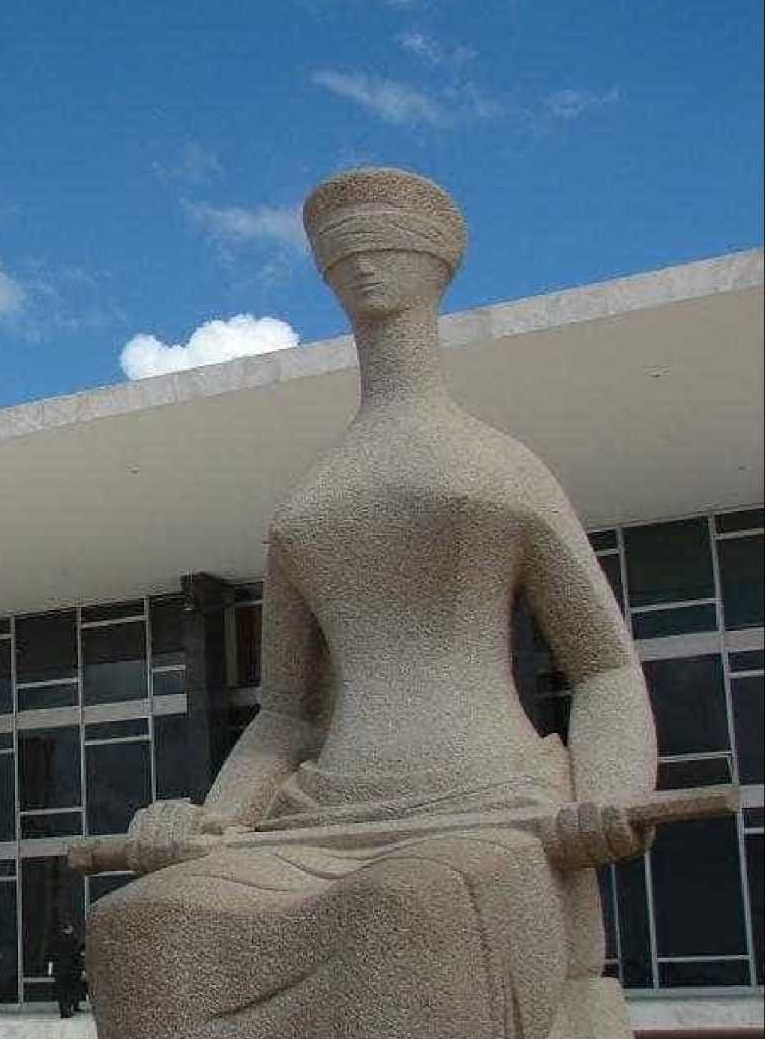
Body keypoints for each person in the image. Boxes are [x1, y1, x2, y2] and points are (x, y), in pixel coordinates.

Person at [85, 167, 658, 1039]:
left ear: (439, 264)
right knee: (142, 926)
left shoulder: (500, 469)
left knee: (403, 909)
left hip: (489, 801)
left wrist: (608, 793)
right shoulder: (309, 503)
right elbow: (284, 714)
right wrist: (213, 820)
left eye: (384, 245)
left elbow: (605, 667)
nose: (362, 266)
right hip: (321, 815)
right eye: (342, 254)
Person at [43, 917, 84, 1019]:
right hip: (71, 969)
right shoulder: (73, 940)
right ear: (70, 928)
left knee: (61, 991)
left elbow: (49, 955)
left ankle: (63, 1009)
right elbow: (77, 955)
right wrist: (80, 968)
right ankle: (68, 1008)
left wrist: (49, 968)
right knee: (70, 990)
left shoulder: (55, 941)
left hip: (59, 969)